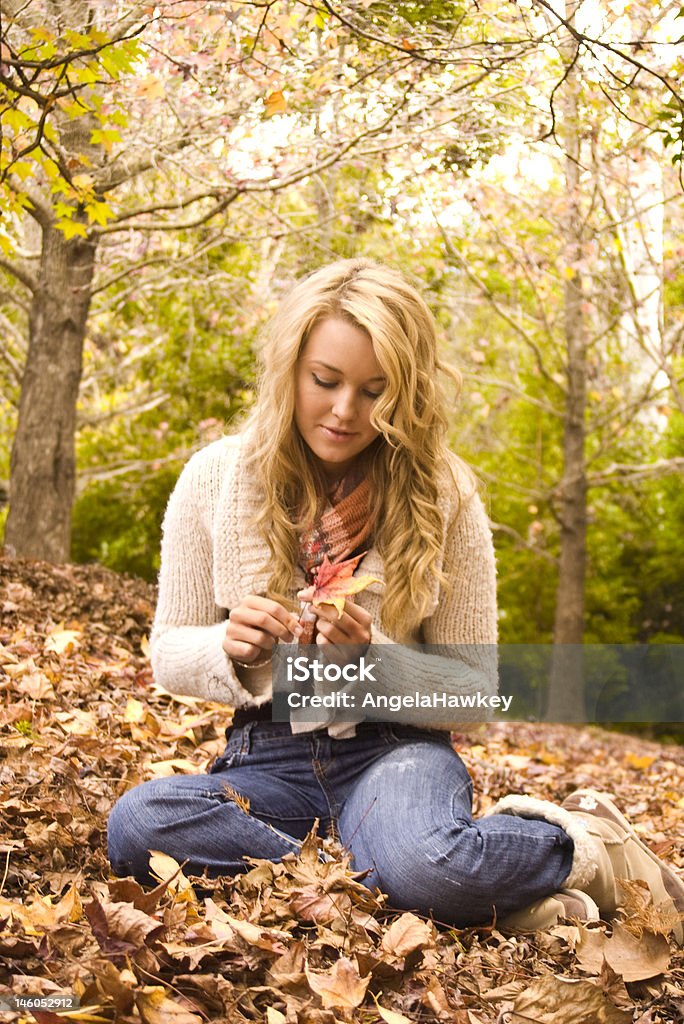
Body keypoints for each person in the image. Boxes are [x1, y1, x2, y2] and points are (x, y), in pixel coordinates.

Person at [108, 259, 684, 938]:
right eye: (325, 381)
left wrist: (368, 663)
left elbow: (476, 687)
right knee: (139, 824)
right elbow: (170, 649)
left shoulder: (446, 494)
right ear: (291, 367)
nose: (345, 410)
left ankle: (585, 846)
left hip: (398, 757)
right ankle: (413, 885)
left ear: (406, 392)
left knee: (420, 861)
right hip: (265, 762)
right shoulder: (212, 479)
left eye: (375, 390)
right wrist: (226, 647)